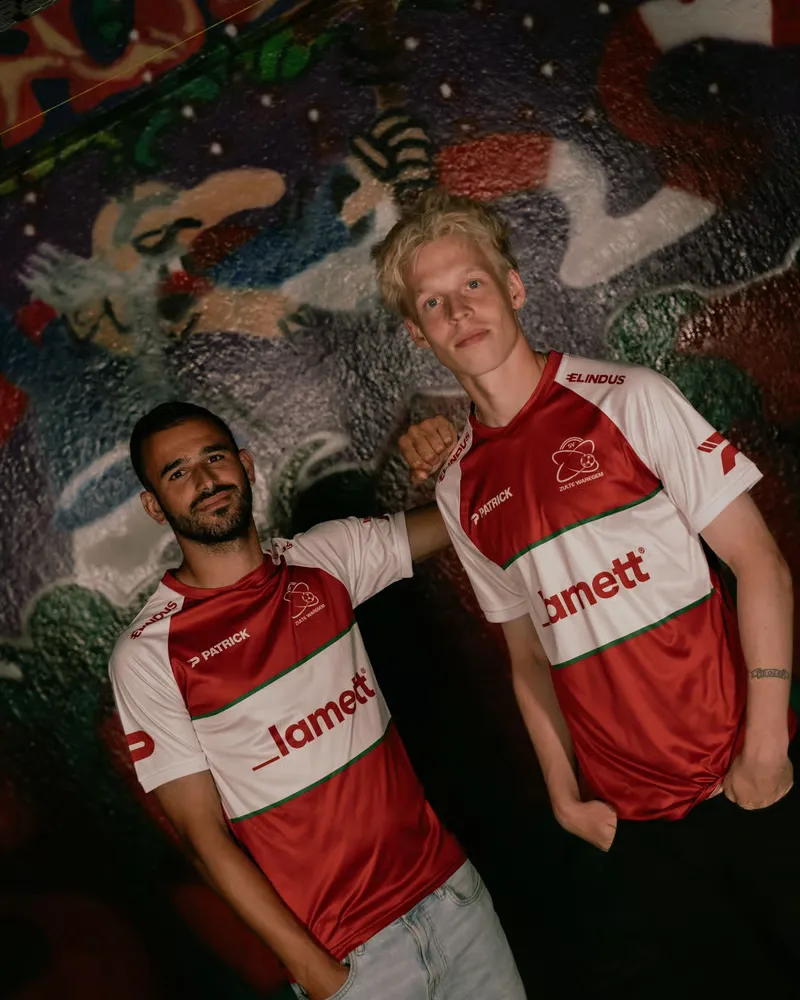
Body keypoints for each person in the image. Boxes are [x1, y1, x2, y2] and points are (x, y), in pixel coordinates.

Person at [372, 189, 798, 991]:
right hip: (635, 825)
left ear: (513, 287)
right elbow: (527, 657)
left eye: (472, 284)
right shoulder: (460, 485)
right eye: (433, 302)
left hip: (747, 771)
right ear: (417, 332)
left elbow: (760, 564)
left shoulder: (628, 397)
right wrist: (564, 797)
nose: (459, 311)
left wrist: (768, 746)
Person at [108, 401, 526, 1000]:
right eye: (177, 472)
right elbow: (202, 837)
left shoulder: (322, 559)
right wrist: (314, 971)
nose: (204, 480)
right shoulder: (149, 653)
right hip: (351, 962)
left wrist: (458, 454)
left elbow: (474, 512)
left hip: (455, 901)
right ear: (155, 505)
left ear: (246, 465)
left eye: (214, 457)